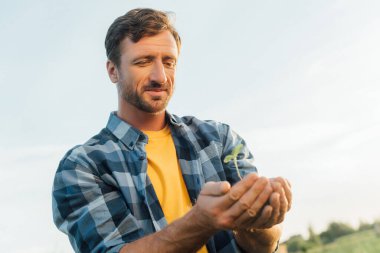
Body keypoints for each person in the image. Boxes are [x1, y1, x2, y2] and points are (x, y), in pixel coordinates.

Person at [52, 8, 292, 253]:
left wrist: (261, 221)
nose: (161, 77)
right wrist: (201, 221)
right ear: (113, 71)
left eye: (169, 62)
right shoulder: (82, 166)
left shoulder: (219, 139)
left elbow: (263, 246)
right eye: (143, 62)